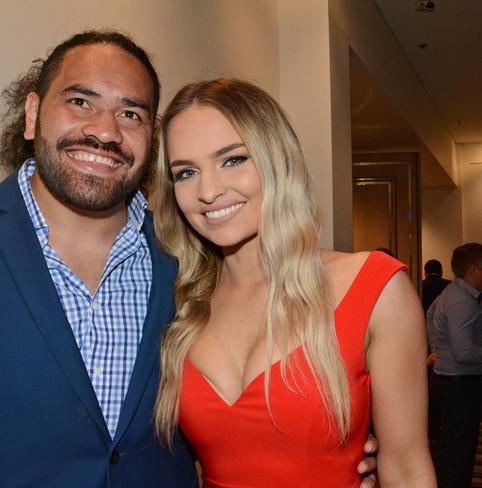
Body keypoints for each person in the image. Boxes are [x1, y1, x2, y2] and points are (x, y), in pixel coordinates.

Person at [0, 32, 378, 487]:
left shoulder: (190, 253)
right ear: (32, 115)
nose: (105, 131)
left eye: (131, 113)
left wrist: (340, 449)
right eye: (80, 102)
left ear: (152, 139)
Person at [152, 78, 436, 487]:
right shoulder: (179, 303)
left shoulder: (374, 289)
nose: (209, 191)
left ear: (276, 160)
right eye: (186, 172)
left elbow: (408, 470)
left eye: (233, 159)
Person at [427, 243, 482, 488]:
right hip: (459, 384)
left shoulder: (450, 292)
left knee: (452, 449)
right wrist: (441, 349)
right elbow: (465, 352)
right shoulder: (464, 302)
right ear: (474, 271)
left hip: (447, 380)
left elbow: (430, 314)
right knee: (459, 454)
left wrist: (437, 348)